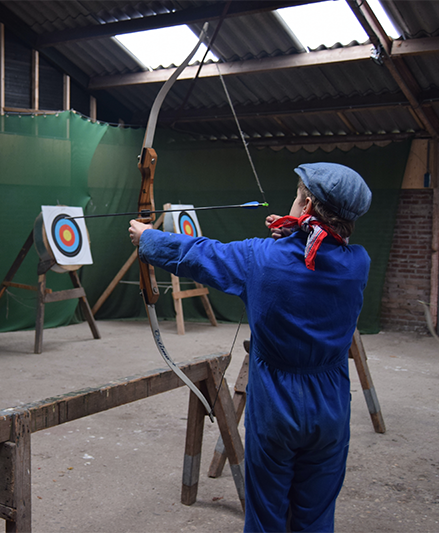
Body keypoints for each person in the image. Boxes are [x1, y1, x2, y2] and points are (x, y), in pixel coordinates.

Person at [129, 162, 372, 532]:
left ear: (305, 207)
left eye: (297, 196)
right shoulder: (359, 265)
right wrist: (293, 233)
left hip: (277, 405)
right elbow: (321, 255)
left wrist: (149, 238)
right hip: (331, 405)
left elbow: (202, 254)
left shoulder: (260, 259)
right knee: (316, 513)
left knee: (266, 513)